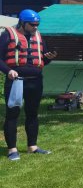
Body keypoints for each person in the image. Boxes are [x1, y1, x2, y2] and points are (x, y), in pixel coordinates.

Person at [0, 9, 57, 161]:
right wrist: (8, 71)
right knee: (12, 114)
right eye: (32, 25)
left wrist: (49, 57)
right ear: (23, 23)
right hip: (16, 81)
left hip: (35, 81)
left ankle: (32, 146)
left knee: (32, 114)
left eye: (37, 25)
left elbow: (43, 59)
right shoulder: (7, 35)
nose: (35, 27)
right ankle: (12, 150)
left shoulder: (38, 36)